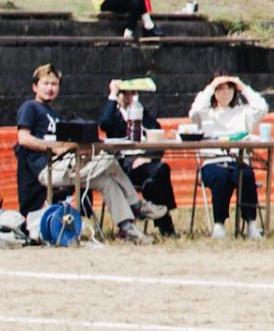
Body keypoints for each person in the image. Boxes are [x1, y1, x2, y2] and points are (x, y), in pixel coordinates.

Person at [13, 62, 164, 244]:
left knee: (108, 181)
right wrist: (54, 147)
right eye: (46, 84)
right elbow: (23, 138)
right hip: (49, 170)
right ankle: (137, 205)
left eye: (54, 84)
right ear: (35, 86)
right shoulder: (30, 107)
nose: (50, 88)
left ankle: (127, 229)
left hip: (67, 165)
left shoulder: (54, 114)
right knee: (109, 158)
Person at [188, 73, 268, 239]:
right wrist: (212, 85)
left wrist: (242, 86)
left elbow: (262, 108)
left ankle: (251, 224)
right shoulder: (206, 114)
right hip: (213, 162)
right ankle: (219, 224)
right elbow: (194, 111)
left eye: (229, 88)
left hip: (237, 161)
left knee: (246, 175)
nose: (225, 92)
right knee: (221, 177)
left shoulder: (243, 113)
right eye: (220, 88)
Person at [97, 79, 177, 238]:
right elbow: (104, 123)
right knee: (159, 173)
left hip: (146, 162)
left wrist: (146, 157)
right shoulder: (114, 114)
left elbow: (157, 136)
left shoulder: (142, 113)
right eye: (123, 93)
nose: (128, 97)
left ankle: (159, 213)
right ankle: (164, 219)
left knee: (156, 176)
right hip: (123, 165)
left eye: (132, 93)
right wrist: (113, 94)